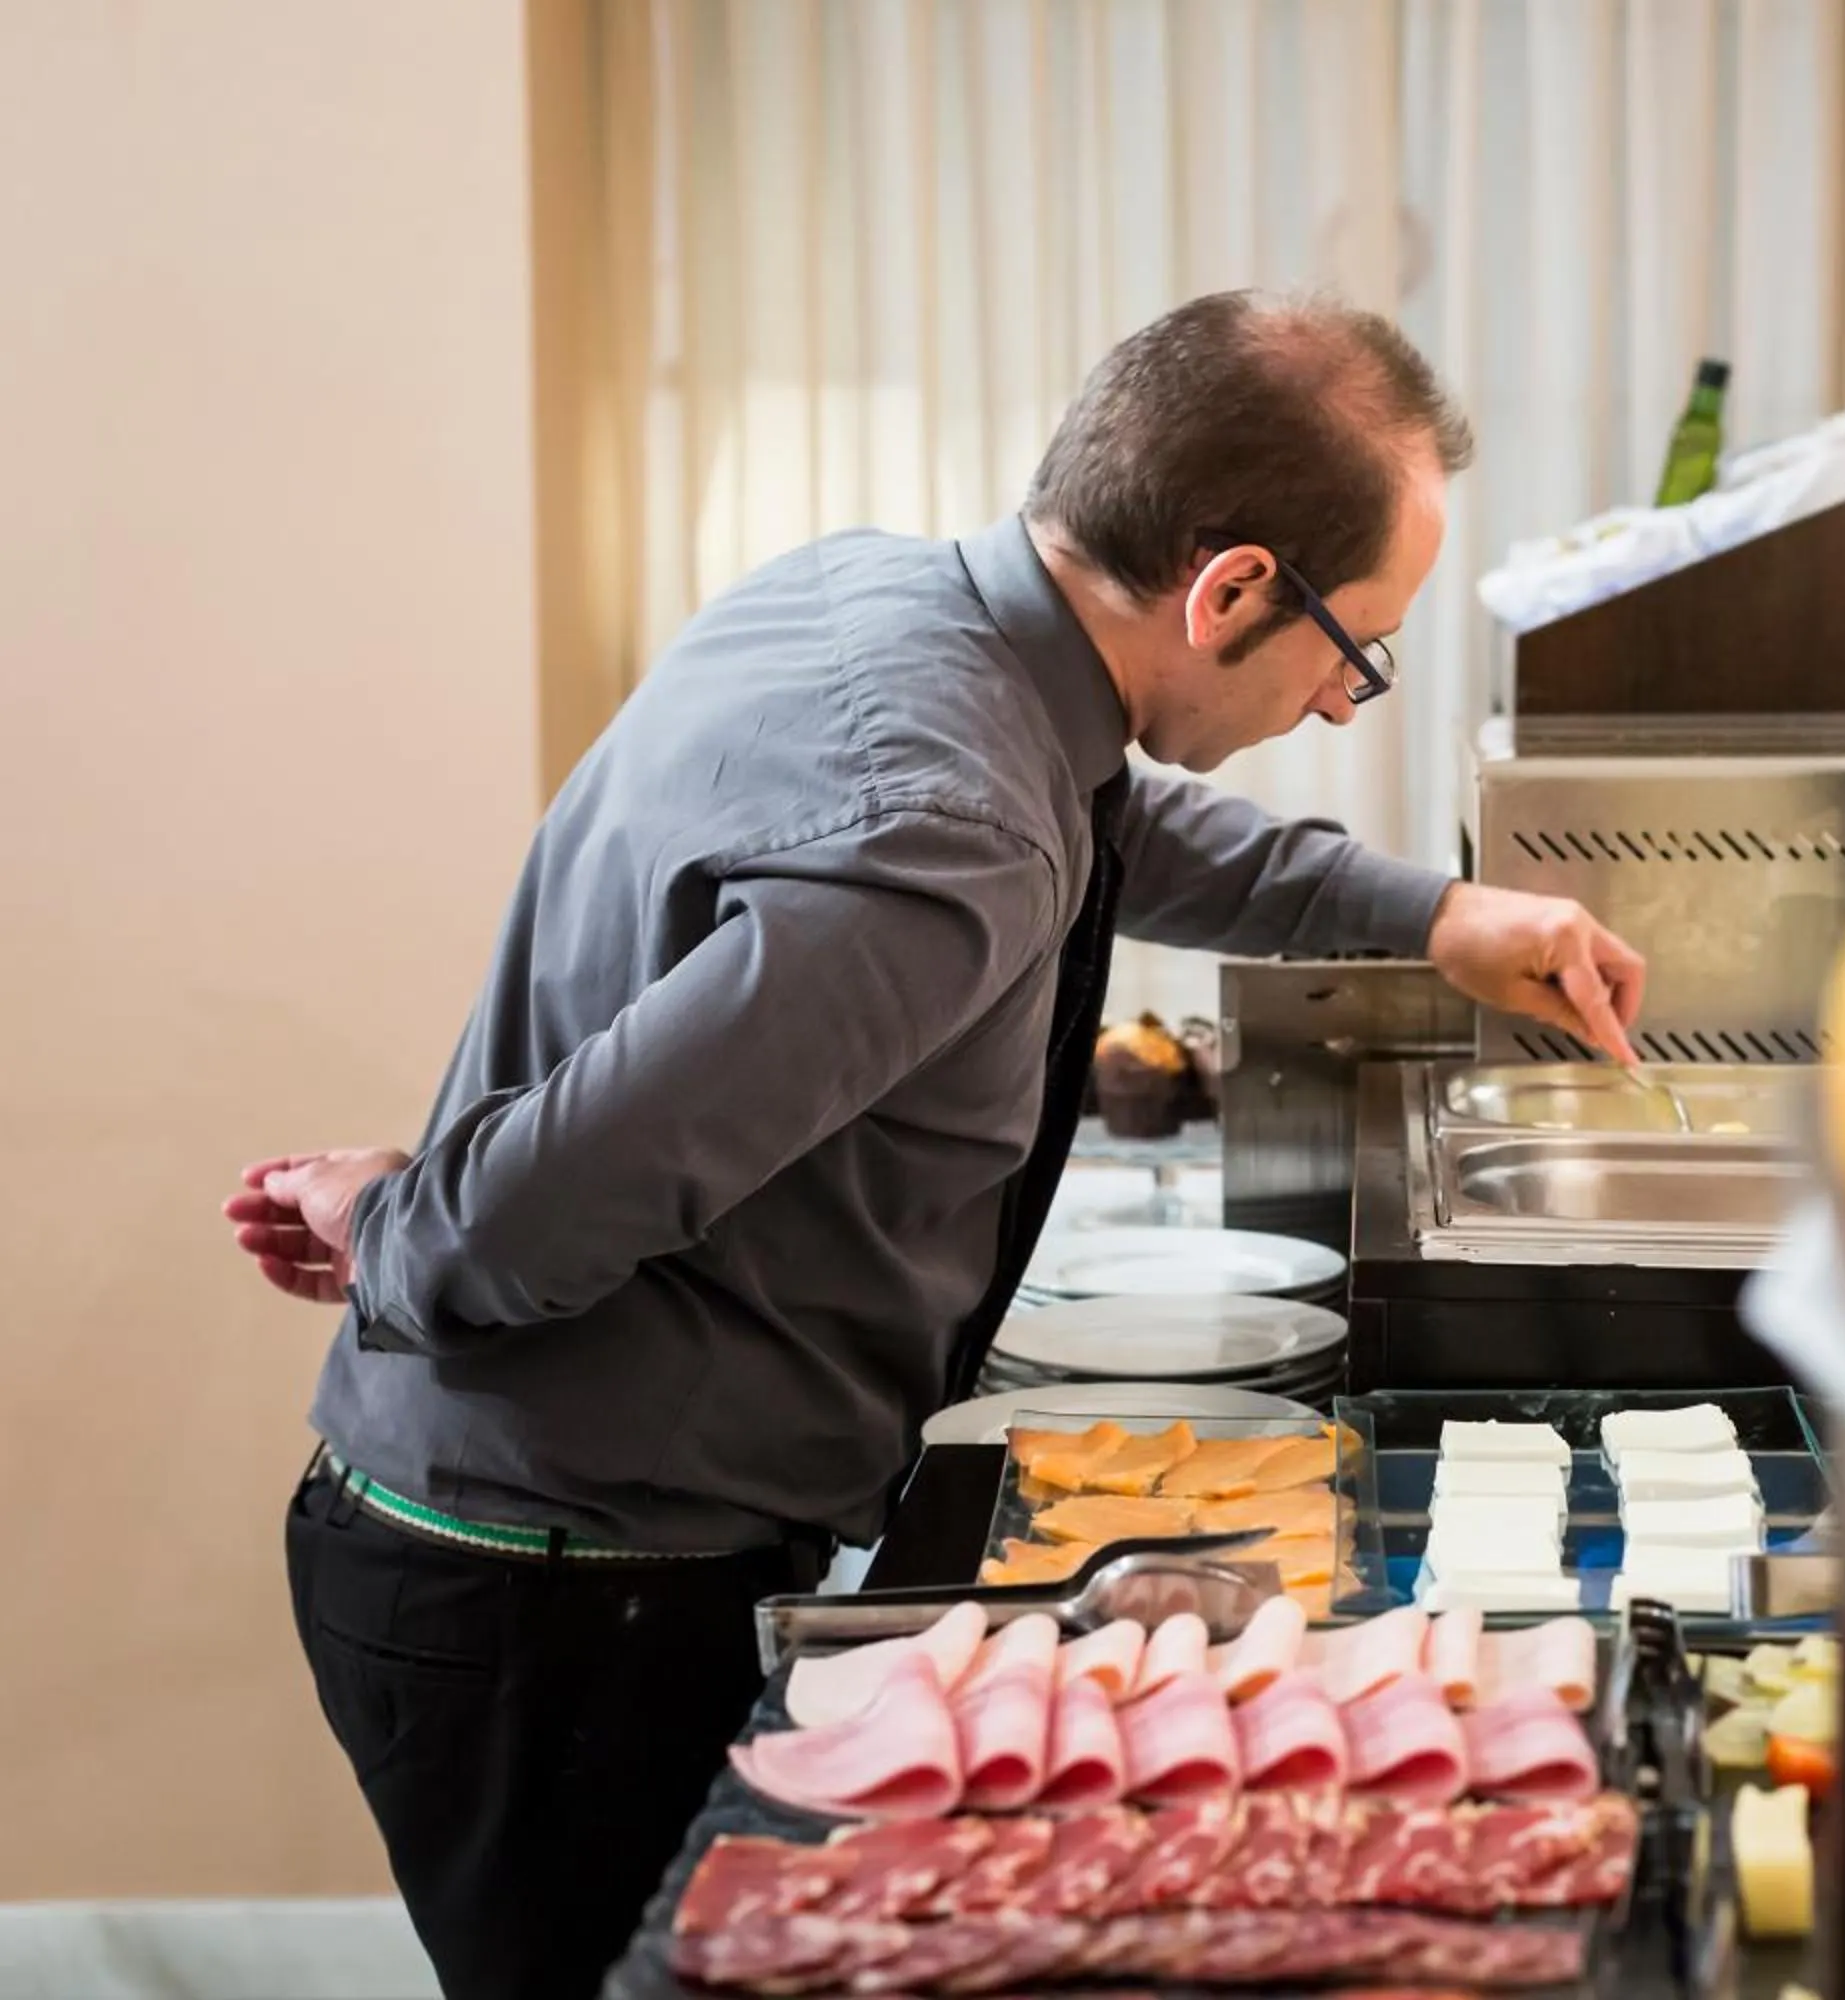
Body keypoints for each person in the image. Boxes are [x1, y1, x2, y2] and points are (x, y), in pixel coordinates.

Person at [220, 290, 1647, 2000]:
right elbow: (495, 1239)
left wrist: (1437, 914)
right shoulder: (947, 827)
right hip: (558, 1602)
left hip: (545, 1542)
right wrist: (392, 1215)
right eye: (1356, 655)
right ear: (1235, 588)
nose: (1344, 707)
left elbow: (1114, 825)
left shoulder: (896, 604)